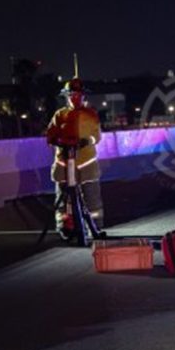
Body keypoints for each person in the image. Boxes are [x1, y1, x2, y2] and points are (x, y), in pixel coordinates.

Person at [45, 78, 104, 238]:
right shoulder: (60, 115)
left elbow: (97, 136)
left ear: (84, 96)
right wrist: (58, 141)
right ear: (67, 96)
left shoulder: (91, 114)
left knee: (92, 199)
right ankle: (65, 227)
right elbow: (50, 135)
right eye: (72, 94)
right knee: (63, 201)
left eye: (78, 94)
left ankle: (95, 227)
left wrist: (86, 141)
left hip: (86, 164)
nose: (75, 97)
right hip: (64, 164)